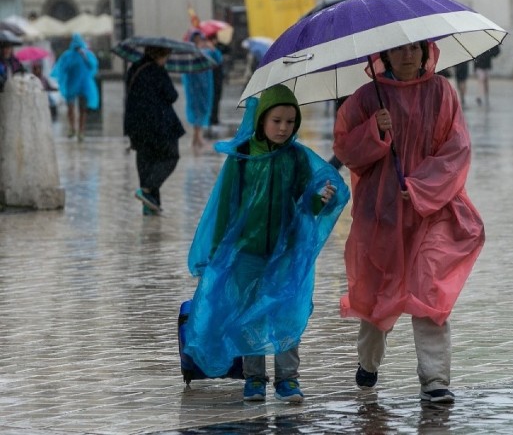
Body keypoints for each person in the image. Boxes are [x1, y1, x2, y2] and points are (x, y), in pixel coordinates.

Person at [332, 40, 485, 404]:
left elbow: (457, 148)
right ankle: (368, 362)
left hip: (432, 211)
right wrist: (374, 131)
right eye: (399, 49)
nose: (407, 55)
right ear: (384, 54)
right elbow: (345, 149)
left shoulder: (441, 93)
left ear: (425, 51)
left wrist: (421, 187)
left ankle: (435, 380)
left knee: (428, 292)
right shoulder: (366, 98)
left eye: (414, 48)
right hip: (380, 214)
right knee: (377, 295)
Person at [184, 84, 348, 403]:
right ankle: (255, 378)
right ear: (261, 120)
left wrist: (321, 200)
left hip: (286, 252)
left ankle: (288, 379)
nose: (284, 128)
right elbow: (226, 206)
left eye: (290, 121)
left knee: (286, 311)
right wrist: (218, 254)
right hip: (246, 253)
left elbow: (306, 206)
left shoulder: (298, 158)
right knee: (249, 314)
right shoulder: (243, 156)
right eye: (277, 120)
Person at [124, 45, 186, 215]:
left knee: (147, 161)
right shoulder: (158, 71)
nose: (166, 59)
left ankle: (150, 205)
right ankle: (147, 190)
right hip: (159, 124)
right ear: (159, 55)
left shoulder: (134, 69)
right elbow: (172, 95)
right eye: (166, 56)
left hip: (136, 125)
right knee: (170, 157)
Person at [51, 33, 99, 141]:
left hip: (84, 85)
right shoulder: (68, 55)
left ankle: (81, 131)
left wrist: (85, 56)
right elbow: (62, 68)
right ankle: (72, 128)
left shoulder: (87, 54)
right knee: (70, 108)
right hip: (72, 84)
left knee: (82, 109)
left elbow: (93, 65)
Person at [183, 31, 219, 149]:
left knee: (203, 108)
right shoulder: (190, 52)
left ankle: (197, 136)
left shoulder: (207, 51)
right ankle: (197, 136)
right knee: (195, 108)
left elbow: (218, 60)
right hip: (193, 86)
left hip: (205, 85)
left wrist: (212, 48)